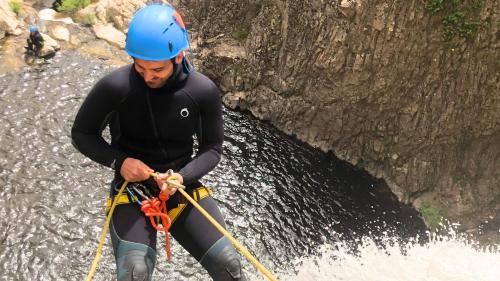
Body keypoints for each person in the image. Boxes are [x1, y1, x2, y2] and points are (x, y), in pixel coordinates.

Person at [71, 4, 246, 281]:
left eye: (157, 69)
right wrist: (120, 162)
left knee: (229, 266)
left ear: (178, 56)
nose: (148, 77)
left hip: (179, 185)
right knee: (134, 273)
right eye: (140, 68)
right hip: (132, 190)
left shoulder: (201, 91)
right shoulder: (115, 88)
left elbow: (212, 149)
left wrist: (182, 177)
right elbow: (82, 133)